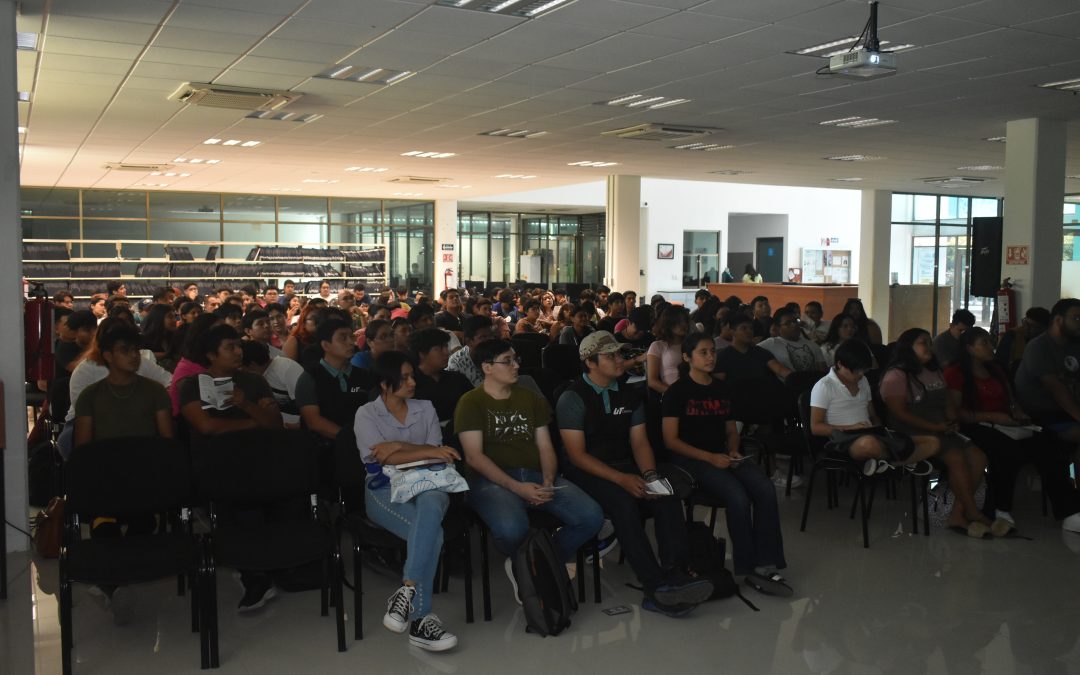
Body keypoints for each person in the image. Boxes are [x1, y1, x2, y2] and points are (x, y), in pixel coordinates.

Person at [558, 331, 714, 616]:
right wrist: (622, 479)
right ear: (590, 362)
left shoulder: (629, 393)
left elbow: (639, 442)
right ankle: (654, 587)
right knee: (623, 504)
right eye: (611, 356)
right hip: (586, 471)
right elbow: (577, 456)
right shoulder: (572, 397)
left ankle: (676, 573)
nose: (620, 360)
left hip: (625, 463)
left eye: (620, 354)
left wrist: (650, 475)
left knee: (666, 493)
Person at [455, 339, 603, 599]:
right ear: (487, 367)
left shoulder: (529, 399)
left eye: (516, 359)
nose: (516, 366)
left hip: (534, 474)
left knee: (591, 516)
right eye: (508, 361)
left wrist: (547, 481)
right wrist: (518, 488)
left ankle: (535, 563)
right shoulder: (470, 402)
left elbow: (546, 446)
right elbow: (475, 457)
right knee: (513, 529)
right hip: (491, 482)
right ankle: (534, 566)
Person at [662, 332, 791, 597]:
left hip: (722, 454)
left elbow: (732, 430)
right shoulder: (677, 392)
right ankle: (746, 565)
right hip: (692, 460)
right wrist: (710, 458)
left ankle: (766, 561)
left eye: (712, 351)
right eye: (703, 352)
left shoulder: (722, 389)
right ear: (687, 357)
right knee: (737, 495)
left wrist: (733, 449)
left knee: (764, 487)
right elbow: (671, 441)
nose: (711, 357)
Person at [355, 351, 461, 651]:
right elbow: (382, 456)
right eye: (403, 378)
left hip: (431, 482)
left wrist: (400, 446)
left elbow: (434, 453)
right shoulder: (366, 413)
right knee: (433, 532)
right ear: (384, 384)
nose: (412, 382)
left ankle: (407, 590)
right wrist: (423, 451)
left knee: (430, 507)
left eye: (412, 375)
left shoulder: (424, 407)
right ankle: (421, 621)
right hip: (385, 488)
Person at [945, 326, 1080, 533]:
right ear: (969, 348)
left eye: (991, 342)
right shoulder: (956, 372)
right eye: (985, 343)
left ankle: (1069, 510)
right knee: (1007, 452)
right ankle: (1000, 509)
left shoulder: (996, 369)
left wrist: (1017, 413)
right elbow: (957, 413)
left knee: (1049, 445)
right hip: (974, 425)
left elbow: (1012, 400)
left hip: (1005, 422)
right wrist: (992, 417)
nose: (992, 347)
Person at [881, 328, 993, 537]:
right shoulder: (895, 375)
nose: (930, 347)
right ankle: (972, 511)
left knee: (979, 457)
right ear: (908, 347)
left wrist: (951, 420)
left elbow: (946, 400)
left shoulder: (934, 370)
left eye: (930, 342)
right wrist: (936, 428)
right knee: (957, 458)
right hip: (912, 433)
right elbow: (900, 414)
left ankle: (958, 512)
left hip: (941, 429)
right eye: (924, 342)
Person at [809, 339, 938, 475]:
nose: (861, 375)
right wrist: (851, 428)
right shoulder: (824, 385)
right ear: (840, 364)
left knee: (932, 442)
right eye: (856, 371)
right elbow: (816, 427)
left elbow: (873, 415)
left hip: (871, 434)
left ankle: (888, 463)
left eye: (863, 370)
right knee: (868, 444)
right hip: (845, 439)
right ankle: (904, 461)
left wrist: (877, 428)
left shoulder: (863, 381)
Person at [1015, 298, 1080, 445]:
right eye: (1076, 318)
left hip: (1066, 412)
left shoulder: (1075, 345)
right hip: (1042, 414)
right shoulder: (1039, 347)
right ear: (1058, 320)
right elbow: (1057, 389)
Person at [296, 318, 374, 441]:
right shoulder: (310, 378)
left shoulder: (365, 376)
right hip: (323, 450)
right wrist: (353, 439)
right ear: (326, 345)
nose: (350, 342)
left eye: (352, 337)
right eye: (343, 338)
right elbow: (313, 421)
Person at [408, 328, 473, 444]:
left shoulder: (457, 378)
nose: (446, 352)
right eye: (439, 348)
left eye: (446, 346)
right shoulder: (410, 384)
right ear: (422, 354)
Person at [240, 340, 305, 428]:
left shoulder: (286, 368)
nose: (240, 370)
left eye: (241, 367)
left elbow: (305, 403)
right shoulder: (258, 376)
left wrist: (301, 425)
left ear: (252, 365)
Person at [714, 314, 791, 384]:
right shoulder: (723, 357)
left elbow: (780, 370)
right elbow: (719, 385)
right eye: (744, 328)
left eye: (751, 328)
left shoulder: (761, 352)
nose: (749, 331)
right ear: (733, 332)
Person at [758, 307, 827, 376]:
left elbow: (823, 372)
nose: (794, 325)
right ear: (778, 328)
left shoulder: (813, 345)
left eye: (795, 321)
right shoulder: (772, 343)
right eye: (788, 323)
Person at [646, 306, 689, 395]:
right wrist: (676, 395)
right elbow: (652, 381)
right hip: (672, 395)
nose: (683, 324)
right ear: (669, 323)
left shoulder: (691, 343)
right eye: (678, 321)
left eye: (685, 321)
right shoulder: (658, 346)